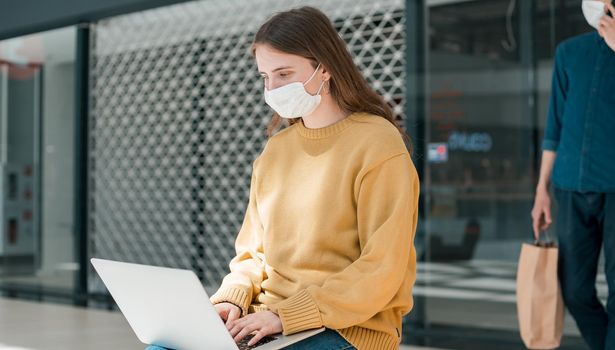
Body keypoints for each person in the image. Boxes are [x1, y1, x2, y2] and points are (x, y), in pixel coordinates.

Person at [146, 6, 419, 350]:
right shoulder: (276, 151)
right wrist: (233, 298)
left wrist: (286, 316)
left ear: (325, 68)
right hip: (268, 319)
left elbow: (382, 268)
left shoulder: (377, 143)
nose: (272, 88)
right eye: (265, 77)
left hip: (346, 329)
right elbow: (253, 255)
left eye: (284, 74)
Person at [531, 1, 615, 349]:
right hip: (569, 186)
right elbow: (554, 126)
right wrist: (542, 190)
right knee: (575, 291)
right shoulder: (569, 52)